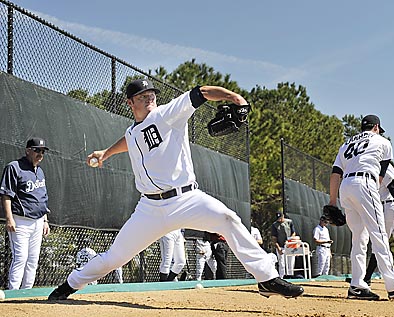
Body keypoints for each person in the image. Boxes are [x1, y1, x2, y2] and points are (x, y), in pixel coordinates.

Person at [48, 79, 303, 300]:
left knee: (228, 219)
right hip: (149, 208)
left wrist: (234, 97)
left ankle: (266, 278)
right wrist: (106, 152)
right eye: (143, 96)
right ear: (130, 103)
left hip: (187, 199)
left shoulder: (167, 114)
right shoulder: (133, 131)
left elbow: (201, 92)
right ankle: (69, 285)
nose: (149, 99)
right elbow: (131, 140)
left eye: (152, 95)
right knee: (115, 257)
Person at [328, 114, 394, 300]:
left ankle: (357, 285)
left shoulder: (346, 144)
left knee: (359, 238)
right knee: (379, 234)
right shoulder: (382, 141)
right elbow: (381, 176)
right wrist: (371, 194)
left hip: (346, 186)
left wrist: (332, 202)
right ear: (376, 127)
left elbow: (335, 173)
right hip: (365, 183)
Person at [1, 137, 51, 290]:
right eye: (37, 150)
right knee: (20, 257)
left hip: (38, 221)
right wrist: (9, 218)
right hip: (20, 221)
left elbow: (42, 198)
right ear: (28, 150)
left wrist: (45, 220)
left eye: (42, 151)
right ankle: (12, 292)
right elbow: (6, 195)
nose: (40, 154)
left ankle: (27, 293)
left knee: (33, 260)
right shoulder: (14, 167)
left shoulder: (40, 171)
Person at [271, 211, 296, 278]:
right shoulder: (274, 225)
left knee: (290, 262)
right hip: (280, 246)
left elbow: (293, 233)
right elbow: (274, 238)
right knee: (282, 263)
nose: (279, 220)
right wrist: (278, 248)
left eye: (280, 218)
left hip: (289, 245)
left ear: (283, 216)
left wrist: (290, 240)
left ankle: (290, 276)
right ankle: (282, 277)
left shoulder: (289, 222)